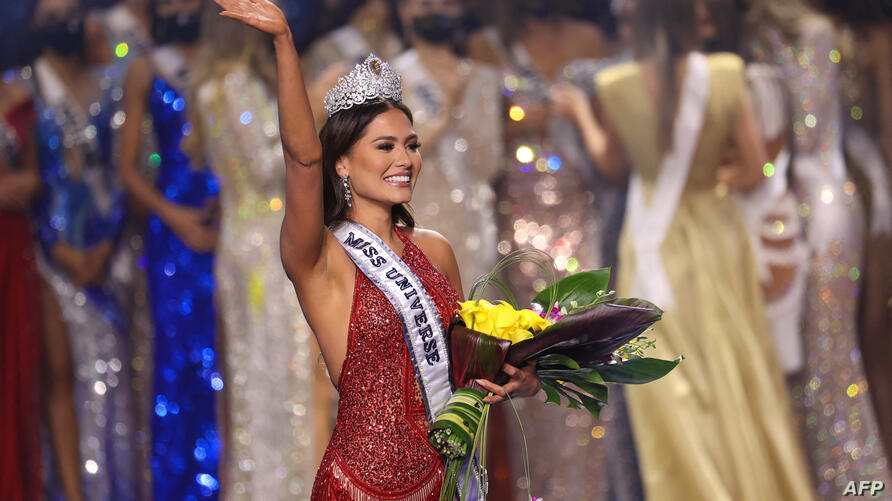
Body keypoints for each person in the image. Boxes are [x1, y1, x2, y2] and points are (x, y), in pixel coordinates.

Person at [213, 0, 541, 499]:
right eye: (385, 147)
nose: (405, 159)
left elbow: (463, 377)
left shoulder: (436, 251)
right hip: (360, 488)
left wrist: (522, 376)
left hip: (444, 484)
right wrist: (284, 43)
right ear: (342, 162)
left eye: (411, 145)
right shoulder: (320, 258)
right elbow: (302, 159)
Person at [550, 0, 817, 498]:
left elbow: (613, 166)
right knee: (735, 367)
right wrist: (711, 179)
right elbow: (756, 167)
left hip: (652, 242)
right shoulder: (724, 73)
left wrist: (583, 113)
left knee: (668, 379)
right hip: (716, 235)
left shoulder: (617, 85)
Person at [185, 2, 334, 498]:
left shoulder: (218, 85)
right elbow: (272, 164)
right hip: (267, 248)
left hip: (247, 242)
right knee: (280, 375)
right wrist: (314, 103)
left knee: (267, 373)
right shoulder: (232, 86)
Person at [743, 0, 891, 497]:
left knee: (832, 365)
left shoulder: (816, 32)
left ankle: (858, 489)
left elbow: (807, 135)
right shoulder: (751, 33)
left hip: (820, 210)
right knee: (795, 365)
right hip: (788, 209)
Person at [26, 0, 138, 498]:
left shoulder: (112, 87)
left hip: (111, 257)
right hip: (50, 262)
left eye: (73, 10)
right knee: (64, 377)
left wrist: (108, 243)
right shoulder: (20, 91)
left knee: (119, 380)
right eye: (53, 13)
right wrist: (62, 253)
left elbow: (127, 171)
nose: (66, 23)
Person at [118, 0, 222, 498]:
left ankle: (224, 478)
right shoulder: (145, 69)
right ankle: (174, 484)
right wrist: (174, 216)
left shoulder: (224, 62)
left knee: (221, 357)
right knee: (174, 358)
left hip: (225, 226)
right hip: (171, 231)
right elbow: (127, 171)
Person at [391, 0, 502, 294]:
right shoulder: (390, 78)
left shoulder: (482, 78)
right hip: (415, 219)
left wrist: (463, 109)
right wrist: (446, 116)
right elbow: (391, 156)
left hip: (472, 222)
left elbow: (489, 163)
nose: (435, 11)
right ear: (404, 10)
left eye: (446, 3)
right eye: (425, 3)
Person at [0, 71, 43, 501]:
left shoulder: (18, 96)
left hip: (14, 244)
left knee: (14, 363)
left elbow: (35, 174)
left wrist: (27, 183)